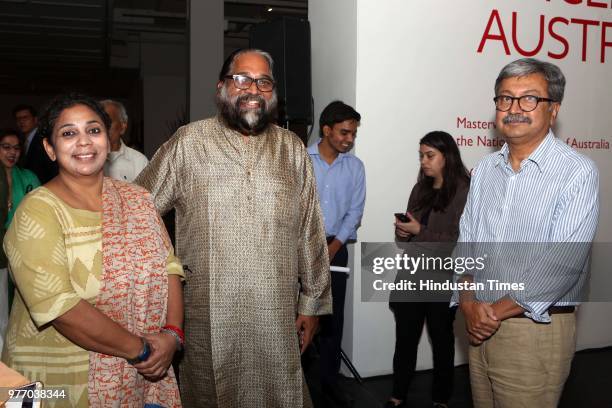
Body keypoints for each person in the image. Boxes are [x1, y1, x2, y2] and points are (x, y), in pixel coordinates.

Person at [135, 48, 331, 408]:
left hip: (276, 311)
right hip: (207, 315)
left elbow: (310, 230)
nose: (252, 89)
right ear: (222, 87)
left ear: (273, 92)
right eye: (242, 79)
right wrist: (168, 273)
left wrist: (313, 304)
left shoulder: (291, 149)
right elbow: (138, 210)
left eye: (263, 81)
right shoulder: (189, 142)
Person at [1, 93, 184, 407]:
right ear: (49, 148)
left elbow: (170, 266)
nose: (84, 142)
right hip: (54, 381)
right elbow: (60, 307)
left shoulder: (138, 198)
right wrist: (142, 351)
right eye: (69, 133)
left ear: (108, 139)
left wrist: (172, 335)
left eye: (94, 130)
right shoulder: (38, 212)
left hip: (139, 375)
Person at [453, 58, 599, 408]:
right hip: (478, 323)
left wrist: (492, 314)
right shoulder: (486, 169)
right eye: (505, 98)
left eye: (529, 99)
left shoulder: (577, 172)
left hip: (535, 329)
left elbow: (561, 264)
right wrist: (469, 303)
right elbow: (466, 242)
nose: (514, 108)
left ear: (553, 110)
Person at [386, 131, 470, 408]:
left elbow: (456, 244)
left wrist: (419, 231)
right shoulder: (420, 189)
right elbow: (405, 239)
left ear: (447, 156)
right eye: (421, 155)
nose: (423, 161)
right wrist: (404, 231)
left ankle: (441, 400)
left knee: (442, 342)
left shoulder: (464, 190)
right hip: (411, 276)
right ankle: (397, 396)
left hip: (442, 279)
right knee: (405, 342)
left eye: (430, 155)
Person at [306, 100, 365, 407]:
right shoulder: (302, 159)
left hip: (336, 249)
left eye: (353, 134)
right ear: (326, 130)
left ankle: (329, 381)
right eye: (344, 132)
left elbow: (354, 212)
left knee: (332, 318)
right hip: (303, 248)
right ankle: (299, 381)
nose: (349, 139)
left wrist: (333, 247)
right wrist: (312, 248)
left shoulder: (355, 167)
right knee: (299, 314)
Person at [0, 129, 41, 344]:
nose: (12, 152)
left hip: (22, 252)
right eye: (6, 147)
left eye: (16, 148)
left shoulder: (28, 177)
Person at [100, 99, 149, 182]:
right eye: (99, 122)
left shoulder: (139, 161)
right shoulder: (86, 160)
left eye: (108, 122)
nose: (103, 127)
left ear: (123, 127)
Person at [12, 104, 58, 183]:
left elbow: (53, 168)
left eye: (25, 117)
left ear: (35, 119)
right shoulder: (21, 141)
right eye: (18, 119)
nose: (21, 121)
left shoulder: (43, 139)